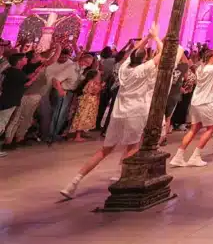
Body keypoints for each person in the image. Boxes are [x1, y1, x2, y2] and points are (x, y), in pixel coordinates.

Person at [60, 25, 176, 199]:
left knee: (104, 150)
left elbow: (133, 54)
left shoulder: (124, 68)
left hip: (118, 113)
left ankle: (74, 181)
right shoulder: (143, 70)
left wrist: (146, 38)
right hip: (135, 112)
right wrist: (156, 37)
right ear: (144, 59)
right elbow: (164, 53)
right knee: (132, 148)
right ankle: (124, 180)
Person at [170, 36, 213, 167]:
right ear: (211, 58)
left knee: (194, 129)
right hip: (206, 103)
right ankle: (195, 156)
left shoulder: (201, 68)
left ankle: (178, 156)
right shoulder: (211, 68)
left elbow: (212, 54)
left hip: (196, 102)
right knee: (211, 128)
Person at [67, 68, 102, 141]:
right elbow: (93, 91)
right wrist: (101, 86)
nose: (99, 77)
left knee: (84, 117)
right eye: (98, 76)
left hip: (88, 102)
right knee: (83, 117)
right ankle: (77, 136)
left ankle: (80, 133)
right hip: (87, 103)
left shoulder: (90, 82)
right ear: (94, 76)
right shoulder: (91, 82)